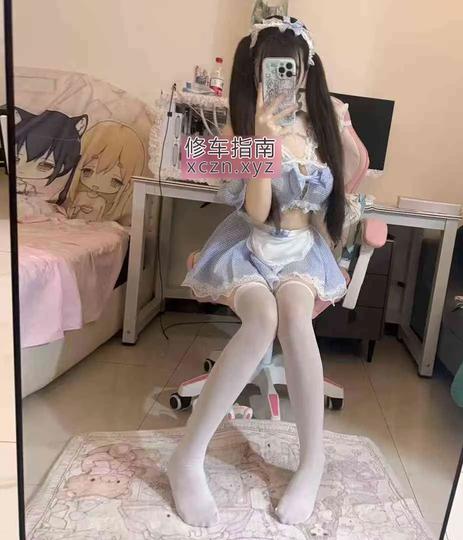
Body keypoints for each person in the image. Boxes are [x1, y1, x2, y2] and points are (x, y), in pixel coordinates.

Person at [167, 15, 367, 527]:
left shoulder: (324, 127)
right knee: (262, 322)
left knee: (295, 318)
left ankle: (312, 462)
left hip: (302, 251)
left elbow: (343, 190)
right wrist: (261, 139)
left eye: (292, 68)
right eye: (271, 68)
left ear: (307, 70)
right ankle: (187, 457)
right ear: (254, 71)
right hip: (250, 245)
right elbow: (256, 212)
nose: (283, 79)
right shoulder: (241, 128)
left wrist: (341, 124)